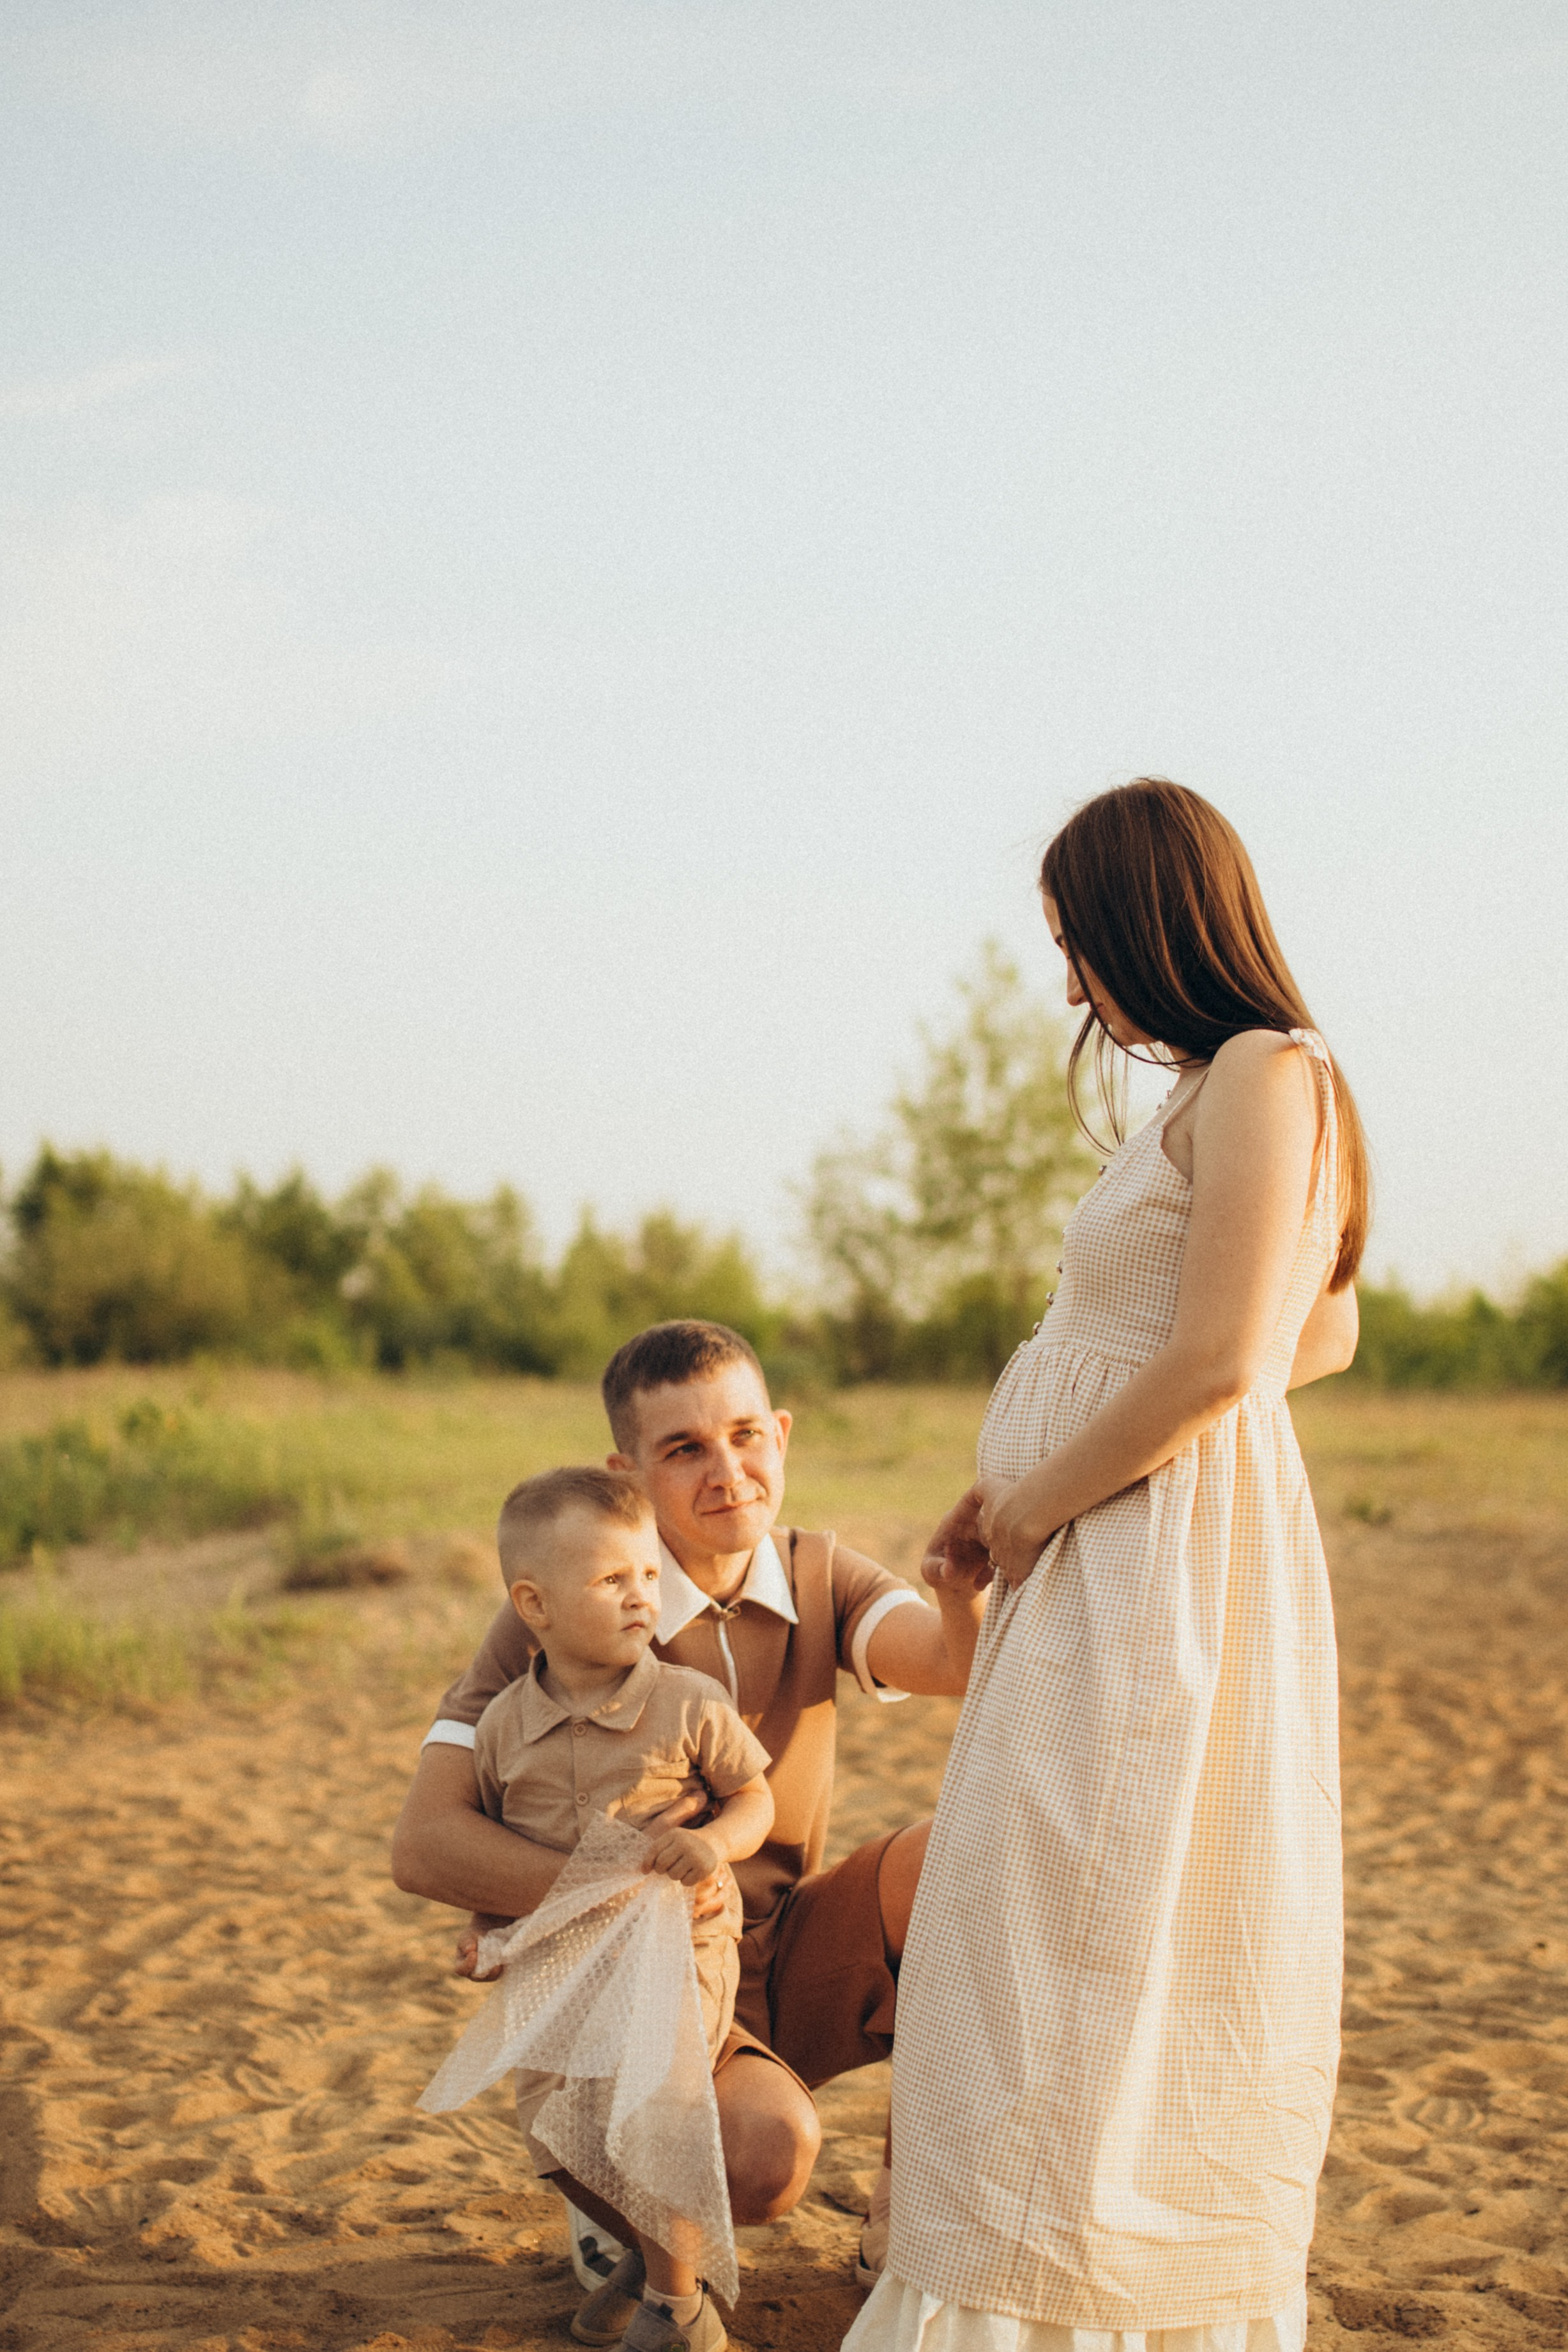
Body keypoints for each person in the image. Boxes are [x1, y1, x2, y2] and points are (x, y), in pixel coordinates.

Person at [846, 778, 1365, 2352]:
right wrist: (1019, 1474)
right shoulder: (1219, 1090)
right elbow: (1303, 1333)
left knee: (1071, 1930)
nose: (1072, 984)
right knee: (1037, 1923)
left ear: (1157, 917)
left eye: (1079, 943)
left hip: (1144, 1566)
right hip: (1108, 1543)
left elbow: (1229, 1354)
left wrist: (1044, 1495)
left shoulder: (1271, 1067)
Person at [391, 1318, 990, 2335]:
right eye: (684, 1449)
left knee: (965, 1853)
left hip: (779, 1947)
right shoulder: (562, 1610)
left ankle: (903, 2206)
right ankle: (628, 2195)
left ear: (782, 1435)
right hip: (637, 1978)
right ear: (624, 1471)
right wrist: (626, 1884)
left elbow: (951, 1664)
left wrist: (958, 1597)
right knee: (761, 2163)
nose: (728, 1472)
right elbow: (426, 1843)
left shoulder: (818, 1574)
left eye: (746, 1433)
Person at [426, 1463, 773, 2352]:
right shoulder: (503, 1725)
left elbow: (753, 1799)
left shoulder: (688, 1700)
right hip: (566, 1950)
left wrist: (717, 1842)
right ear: (533, 1604)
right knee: (553, 2127)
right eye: (612, 1579)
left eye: (650, 1574)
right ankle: (655, 2256)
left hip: (677, 1937)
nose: (641, 1596)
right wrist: (482, 1935)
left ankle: (676, 2307)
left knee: (651, 2100)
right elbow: (491, 1850)